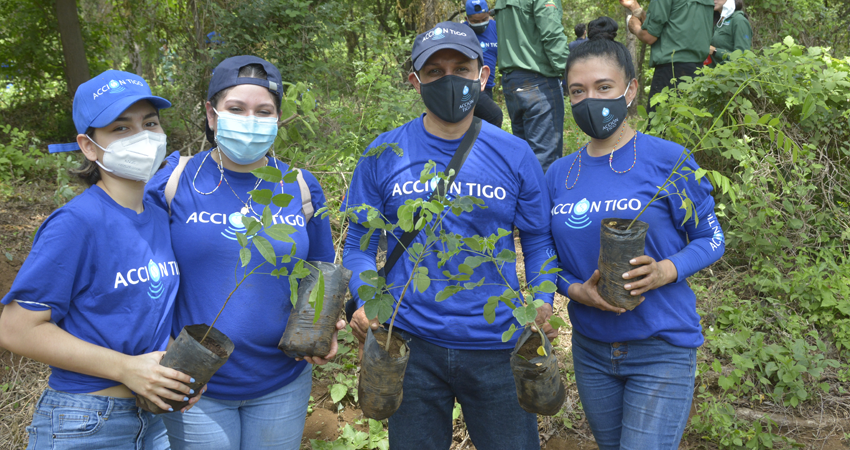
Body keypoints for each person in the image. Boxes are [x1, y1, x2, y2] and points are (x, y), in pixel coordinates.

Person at [343, 21, 558, 450]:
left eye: (461, 67)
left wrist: (543, 299)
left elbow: (537, 241)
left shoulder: (514, 154)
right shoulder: (383, 153)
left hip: (498, 344)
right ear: (415, 81)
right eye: (435, 71)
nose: (450, 79)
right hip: (409, 344)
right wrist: (366, 298)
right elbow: (359, 246)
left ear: (483, 75)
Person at [144, 55, 342, 450]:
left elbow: (320, 271)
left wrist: (324, 329)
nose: (250, 121)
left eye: (263, 111)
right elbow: (145, 274)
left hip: (282, 381)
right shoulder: (176, 180)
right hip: (194, 382)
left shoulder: (299, 185)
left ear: (277, 118)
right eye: (236, 109)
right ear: (212, 114)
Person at [548, 17, 725, 448]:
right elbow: (544, 257)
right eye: (578, 91)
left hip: (661, 346)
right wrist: (572, 290)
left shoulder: (669, 159)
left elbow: (712, 238)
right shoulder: (558, 174)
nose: (591, 99)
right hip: (591, 350)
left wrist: (667, 269)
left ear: (631, 89)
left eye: (604, 87)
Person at [0, 70, 199, 449]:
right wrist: (127, 368)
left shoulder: (158, 212)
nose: (142, 137)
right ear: (89, 147)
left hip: (153, 416)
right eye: (121, 129)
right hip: (86, 421)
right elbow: (15, 329)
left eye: (150, 124)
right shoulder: (76, 223)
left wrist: (177, 376)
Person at [494, 0, 569, 172]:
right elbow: (552, 34)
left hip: (512, 82)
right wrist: (571, 73)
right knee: (545, 160)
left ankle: (525, 198)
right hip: (539, 83)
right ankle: (542, 199)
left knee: (524, 158)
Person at [620, 0, 714, 113]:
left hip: (671, 73)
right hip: (697, 72)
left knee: (659, 125)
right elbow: (670, 26)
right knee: (688, 123)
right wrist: (636, 8)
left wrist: (635, 27)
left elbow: (649, 36)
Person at [463, 0, 503, 128]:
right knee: (495, 116)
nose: (481, 23)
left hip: (488, 86)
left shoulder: (495, 28)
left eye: (484, 19)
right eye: (475, 21)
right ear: (467, 19)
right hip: (470, 85)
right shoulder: (461, 32)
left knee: (478, 125)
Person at [707, 0, 753, 67]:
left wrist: (715, 51)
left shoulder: (739, 20)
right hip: (711, 75)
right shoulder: (715, 19)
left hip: (730, 75)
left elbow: (742, 58)